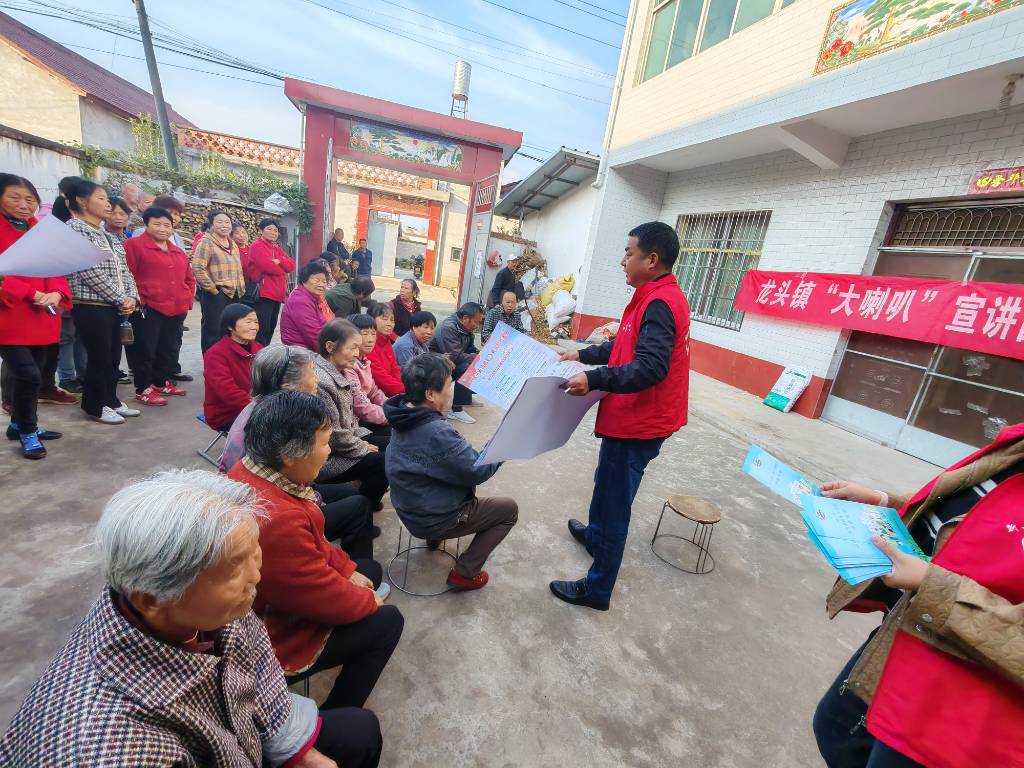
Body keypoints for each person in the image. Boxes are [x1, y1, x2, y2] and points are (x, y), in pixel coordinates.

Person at [0, 469, 382, 767]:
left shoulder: (205, 606)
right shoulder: (115, 747)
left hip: (240, 736)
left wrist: (296, 750)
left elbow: (259, 663)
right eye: (236, 565)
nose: (256, 576)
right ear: (152, 597)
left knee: (360, 730)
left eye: (255, 553)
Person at [812, 423, 1024, 768]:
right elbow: (966, 513)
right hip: (913, 630)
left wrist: (933, 586)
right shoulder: (1017, 445)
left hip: (964, 701)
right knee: (836, 731)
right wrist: (885, 503)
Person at [229, 391, 404, 714]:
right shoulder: (277, 519)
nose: (327, 453)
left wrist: (347, 570)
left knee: (367, 570)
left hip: (284, 593)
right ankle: (336, 714)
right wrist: (366, 601)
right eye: (324, 444)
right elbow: (313, 593)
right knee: (387, 620)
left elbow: (316, 544)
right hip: (272, 633)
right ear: (290, 454)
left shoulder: (252, 467)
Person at [549, 222, 690, 611]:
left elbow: (649, 368)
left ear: (652, 259)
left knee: (615, 500)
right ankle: (596, 537)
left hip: (641, 422)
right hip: (634, 416)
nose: (622, 260)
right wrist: (582, 354)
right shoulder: (650, 296)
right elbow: (624, 348)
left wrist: (592, 379)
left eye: (629, 253)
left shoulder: (660, 303)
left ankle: (597, 589)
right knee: (606, 481)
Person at [219, 343, 376, 557]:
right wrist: (315, 501)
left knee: (350, 493)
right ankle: (354, 573)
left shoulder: (262, 408)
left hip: (280, 491)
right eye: (312, 373)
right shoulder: (279, 423)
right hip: (263, 513)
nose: (317, 380)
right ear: (288, 384)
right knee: (359, 503)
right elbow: (281, 489)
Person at [385, 353, 518, 591]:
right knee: (508, 510)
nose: (451, 391)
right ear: (430, 394)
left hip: (408, 509)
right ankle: (466, 573)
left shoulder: (402, 413)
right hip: (432, 518)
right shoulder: (437, 431)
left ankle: (433, 541)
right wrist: (502, 444)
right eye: (448, 385)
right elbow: (476, 471)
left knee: (431, 471)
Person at [0, 174, 70, 459]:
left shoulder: (39, 230)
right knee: (27, 375)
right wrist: (31, 294)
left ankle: (19, 424)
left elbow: (56, 267)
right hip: (10, 317)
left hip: (42, 316)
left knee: (37, 374)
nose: (23, 205)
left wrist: (56, 292)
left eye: (30, 199)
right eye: (14, 197)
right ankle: (28, 430)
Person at [65, 179, 141, 426]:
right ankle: (95, 405)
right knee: (98, 357)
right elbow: (90, 271)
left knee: (111, 357)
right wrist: (120, 298)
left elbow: (125, 270)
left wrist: (132, 297)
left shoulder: (107, 235)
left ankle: (111, 399)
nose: (107, 204)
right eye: (101, 199)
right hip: (91, 305)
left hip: (115, 306)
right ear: (81, 201)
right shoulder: (74, 230)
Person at [314, 319, 390, 509]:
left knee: (393, 444)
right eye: (353, 348)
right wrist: (362, 447)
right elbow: (334, 436)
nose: (357, 354)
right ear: (331, 347)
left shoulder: (339, 371)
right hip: (327, 457)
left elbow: (347, 424)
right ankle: (361, 507)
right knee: (382, 461)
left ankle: (363, 499)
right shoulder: (323, 382)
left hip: (347, 439)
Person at [123, 206, 195, 406]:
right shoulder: (134, 246)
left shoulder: (177, 251)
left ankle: (161, 381)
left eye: (167, 225)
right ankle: (143, 388)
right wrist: (139, 300)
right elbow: (129, 275)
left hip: (176, 307)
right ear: (146, 224)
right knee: (146, 348)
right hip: (149, 307)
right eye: (157, 224)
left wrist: (187, 297)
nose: (163, 229)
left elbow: (189, 278)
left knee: (168, 347)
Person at [151, 194, 193, 383]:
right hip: (156, 299)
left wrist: (187, 293)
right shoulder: (141, 236)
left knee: (173, 338)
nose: (173, 217)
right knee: (156, 340)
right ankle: (155, 379)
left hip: (178, 298)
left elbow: (186, 268)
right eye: (170, 212)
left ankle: (171, 370)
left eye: (176, 214)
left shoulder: (176, 237)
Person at [202, 303, 262, 432]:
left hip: (255, 406)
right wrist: (260, 406)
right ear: (230, 326)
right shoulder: (215, 354)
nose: (254, 327)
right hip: (226, 414)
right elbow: (227, 392)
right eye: (248, 322)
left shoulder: (259, 348)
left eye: (256, 322)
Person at [192, 209, 245, 354]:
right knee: (213, 331)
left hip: (234, 293)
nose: (224, 225)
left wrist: (241, 290)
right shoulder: (206, 242)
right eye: (219, 222)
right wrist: (214, 290)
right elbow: (197, 267)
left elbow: (237, 268)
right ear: (212, 225)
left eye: (227, 222)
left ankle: (226, 362)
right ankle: (211, 366)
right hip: (215, 295)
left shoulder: (233, 244)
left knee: (230, 330)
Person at [429, 302, 484, 424]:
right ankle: (456, 410)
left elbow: (470, 349)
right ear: (465, 318)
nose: (477, 325)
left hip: (450, 361)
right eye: (476, 322)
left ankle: (466, 398)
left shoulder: (466, 328)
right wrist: (477, 357)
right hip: (436, 365)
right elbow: (455, 356)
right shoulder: (448, 327)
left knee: (480, 363)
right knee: (467, 367)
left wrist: (483, 354)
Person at [245, 219, 295, 346]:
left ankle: (265, 356)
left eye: (275, 230)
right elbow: (269, 266)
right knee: (262, 329)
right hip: (263, 294)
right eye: (269, 229)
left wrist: (280, 261)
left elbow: (291, 265)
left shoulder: (276, 248)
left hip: (277, 295)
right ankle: (256, 356)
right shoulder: (257, 246)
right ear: (261, 230)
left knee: (271, 328)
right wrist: (282, 267)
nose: (273, 232)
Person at [345, 315, 389, 433]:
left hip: (366, 416)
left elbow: (373, 391)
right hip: (354, 424)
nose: (370, 339)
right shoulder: (348, 365)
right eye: (364, 333)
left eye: (373, 334)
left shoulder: (363, 360)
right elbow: (361, 407)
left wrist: (391, 406)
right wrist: (390, 416)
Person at [281, 259, 332, 351]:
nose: (321, 284)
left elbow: (324, 324)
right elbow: (314, 336)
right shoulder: (300, 301)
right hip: (299, 352)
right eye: (317, 280)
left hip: (308, 348)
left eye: (324, 281)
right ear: (304, 281)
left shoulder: (313, 297)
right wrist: (335, 351)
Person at [364, 301, 403, 397]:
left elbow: (394, 367)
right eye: (385, 319)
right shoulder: (369, 343)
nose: (390, 324)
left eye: (392, 320)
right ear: (372, 320)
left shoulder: (386, 339)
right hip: (375, 393)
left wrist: (402, 386)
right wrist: (404, 390)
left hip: (391, 389)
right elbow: (379, 376)